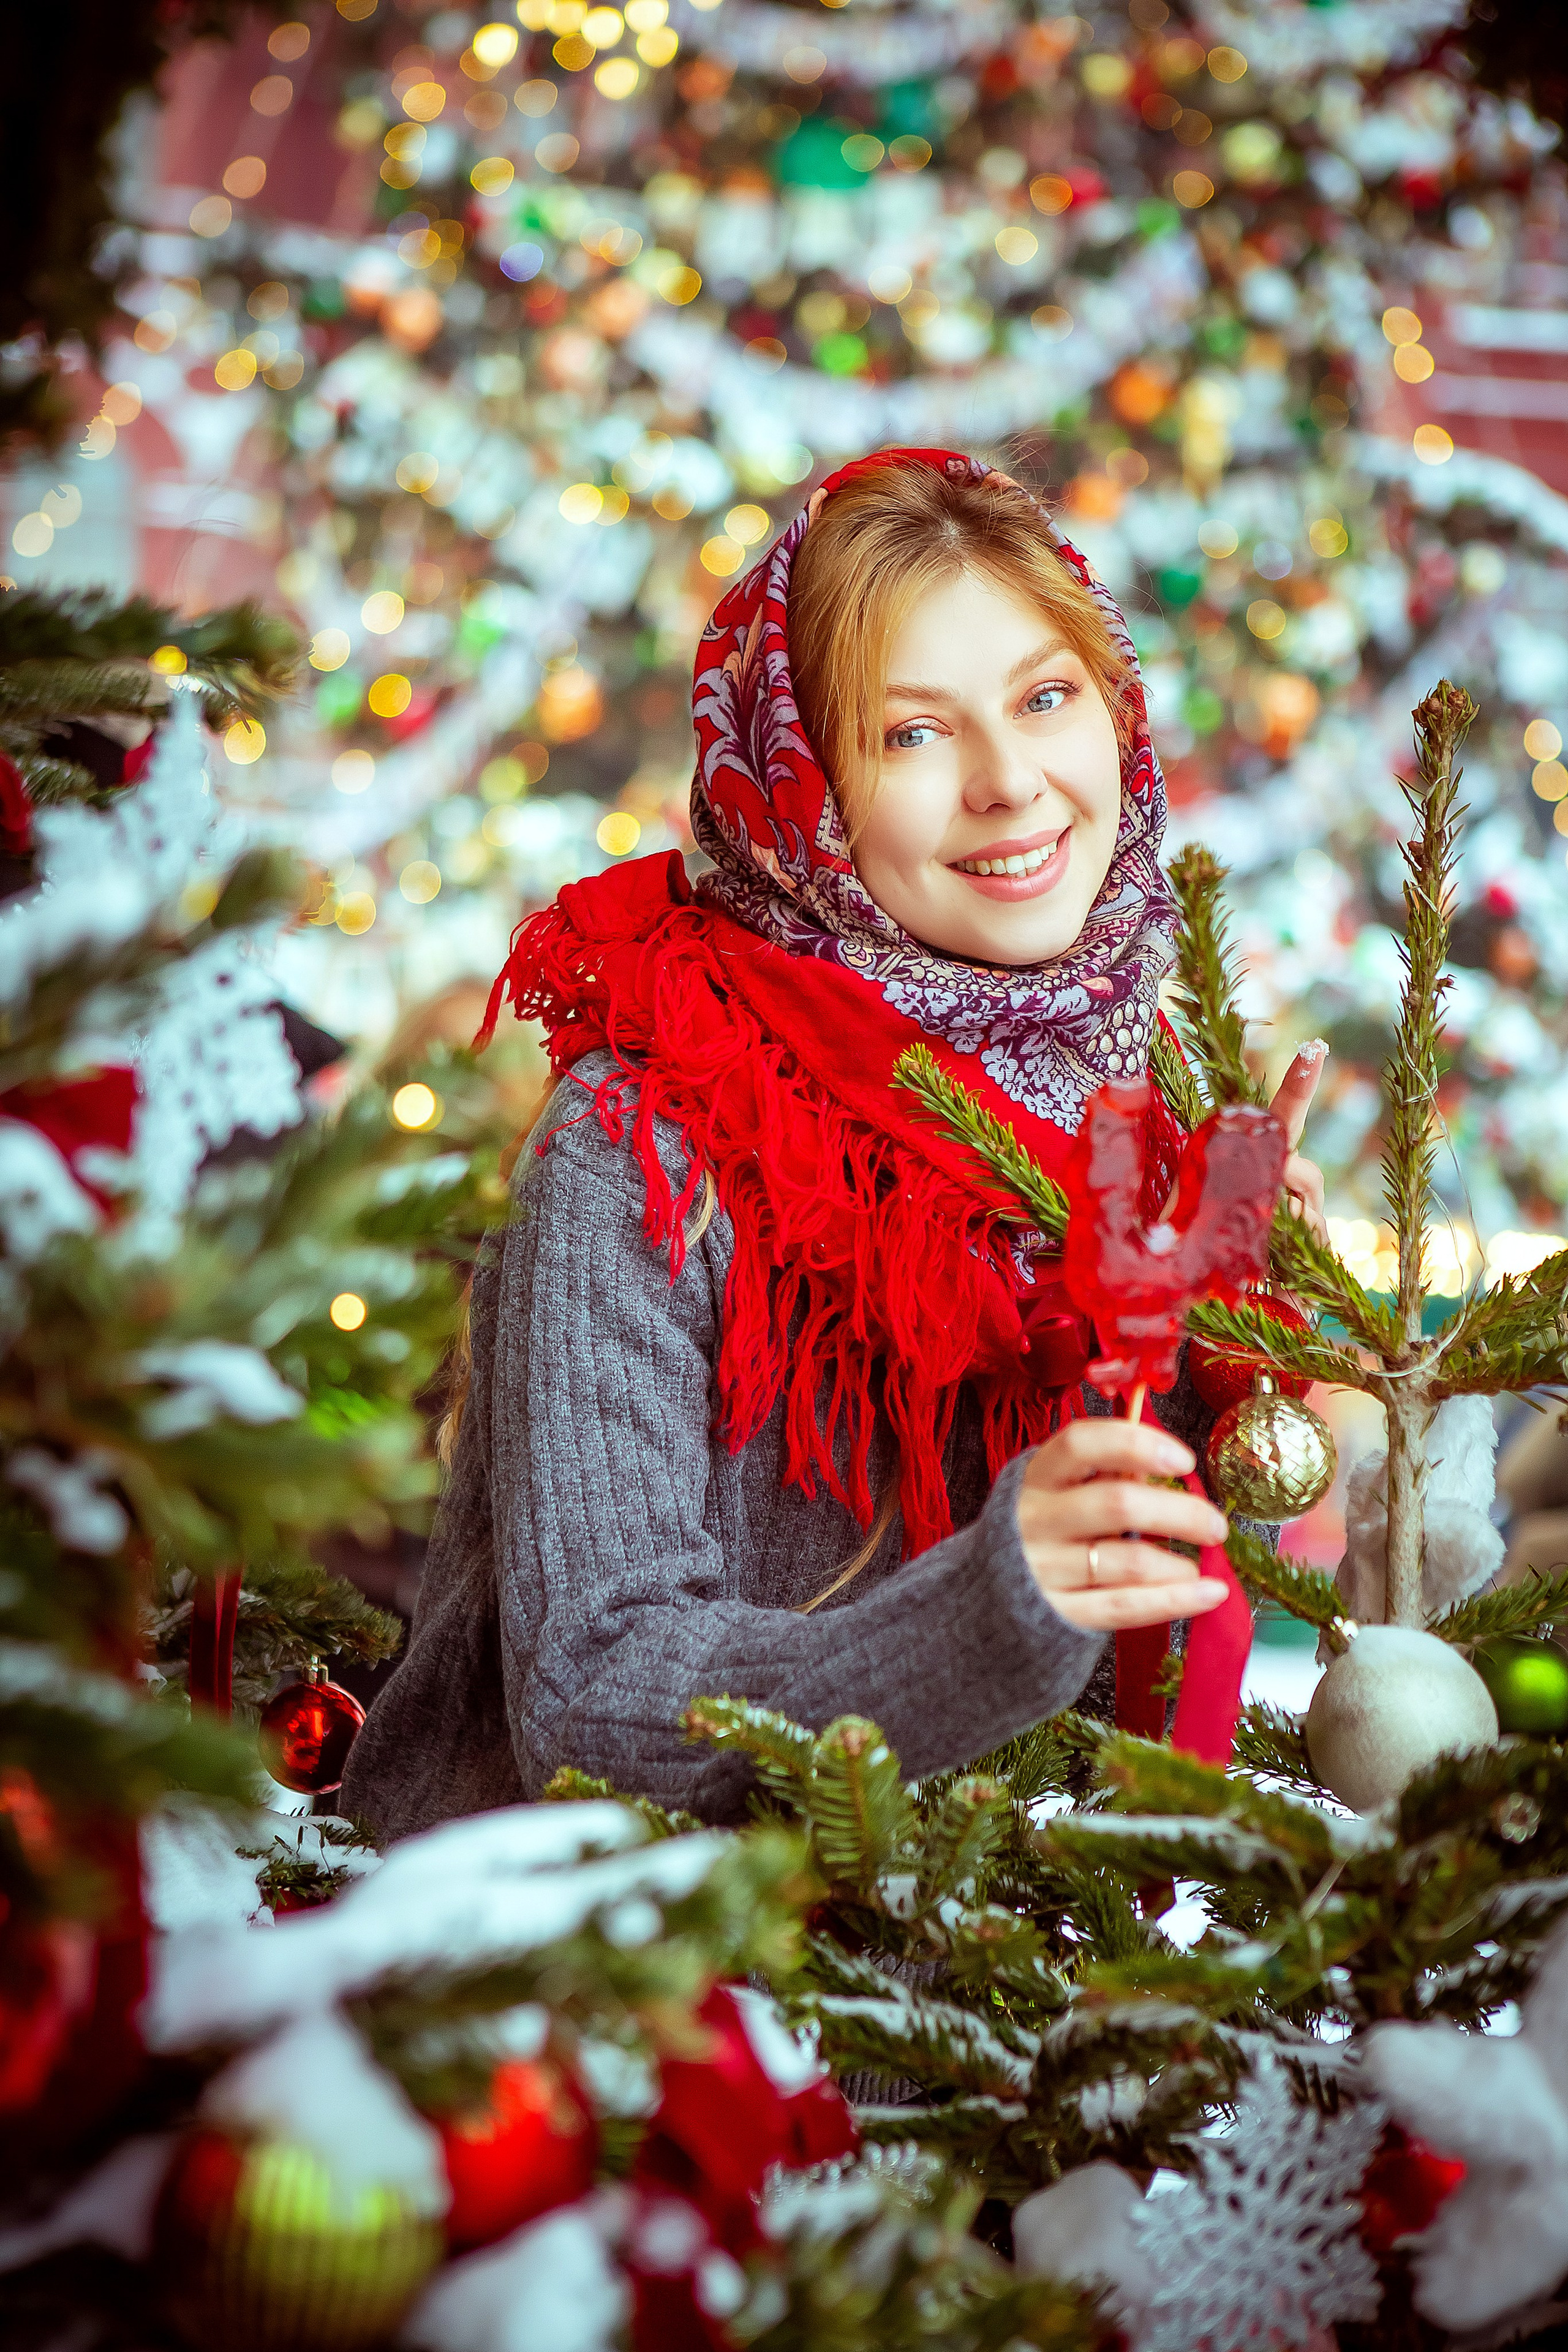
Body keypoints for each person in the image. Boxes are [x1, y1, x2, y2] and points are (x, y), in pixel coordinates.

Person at [344, 448, 1325, 1839]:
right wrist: (995, 1603)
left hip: (1064, 2014)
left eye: (1043, 698)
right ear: (796, 786)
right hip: (695, 2021)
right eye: (911, 733)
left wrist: (1240, 1353)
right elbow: (589, 1702)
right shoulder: (643, 1140)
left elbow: (1158, 1647)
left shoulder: (1144, 1102)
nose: (1008, 784)